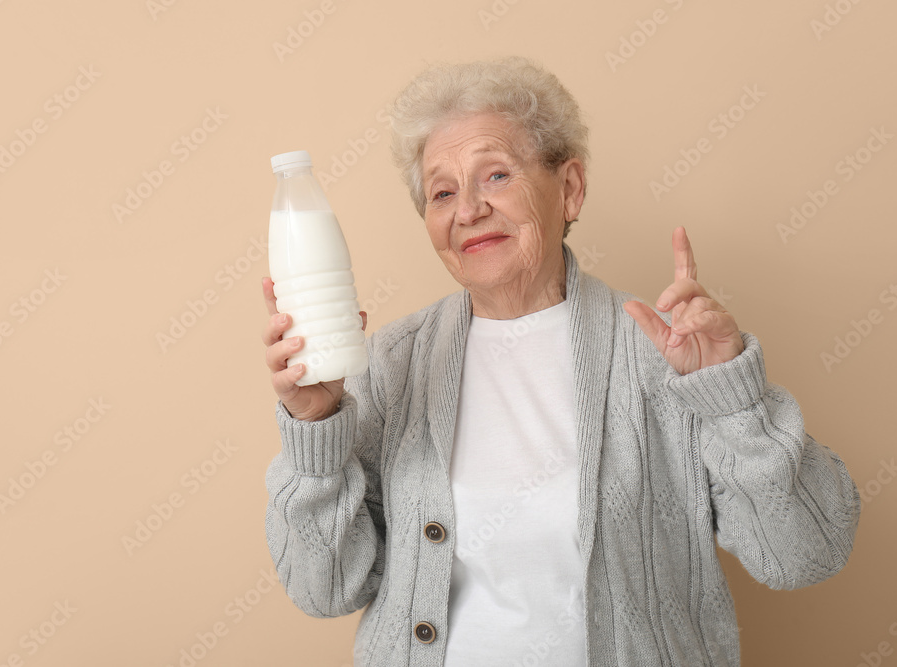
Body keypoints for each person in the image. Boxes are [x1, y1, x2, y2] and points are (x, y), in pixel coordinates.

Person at [261, 56, 860, 666]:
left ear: (569, 189)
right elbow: (324, 589)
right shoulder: (391, 362)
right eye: (443, 192)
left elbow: (806, 554)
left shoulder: (665, 352)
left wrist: (734, 399)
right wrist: (316, 429)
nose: (468, 210)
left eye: (495, 175)